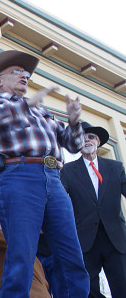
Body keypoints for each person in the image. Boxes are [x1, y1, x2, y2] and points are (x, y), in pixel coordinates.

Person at [0, 50, 89, 298]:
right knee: (22, 254)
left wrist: (75, 120)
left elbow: (72, 144)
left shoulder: (43, 112)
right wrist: (29, 104)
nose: (24, 76)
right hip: (19, 175)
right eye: (17, 72)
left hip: (53, 177)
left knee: (72, 254)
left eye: (26, 74)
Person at [60, 122, 126, 298]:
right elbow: (59, 200)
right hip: (85, 240)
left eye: (91, 137)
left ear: (98, 142)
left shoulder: (116, 167)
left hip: (116, 239)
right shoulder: (67, 170)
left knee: (123, 287)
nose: (87, 140)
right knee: (88, 290)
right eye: (82, 137)